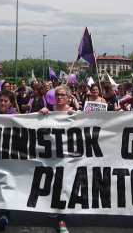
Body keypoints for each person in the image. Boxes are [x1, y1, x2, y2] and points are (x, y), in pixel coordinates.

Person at [39, 84, 74, 233]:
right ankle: (54, 208)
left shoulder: (72, 112)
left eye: (62, 95)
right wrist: (40, 113)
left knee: (63, 185)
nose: (59, 97)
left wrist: (75, 116)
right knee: (52, 183)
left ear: (68, 97)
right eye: (57, 94)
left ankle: (62, 220)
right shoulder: (49, 111)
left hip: (66, 156)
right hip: (51, 155)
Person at [0, 90, 18, 230]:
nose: (3, 103)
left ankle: (4, 214)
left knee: (6, 183)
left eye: (6, 101)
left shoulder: (16, 117)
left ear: (11, 102)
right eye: (1, 100)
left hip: (9, 157)